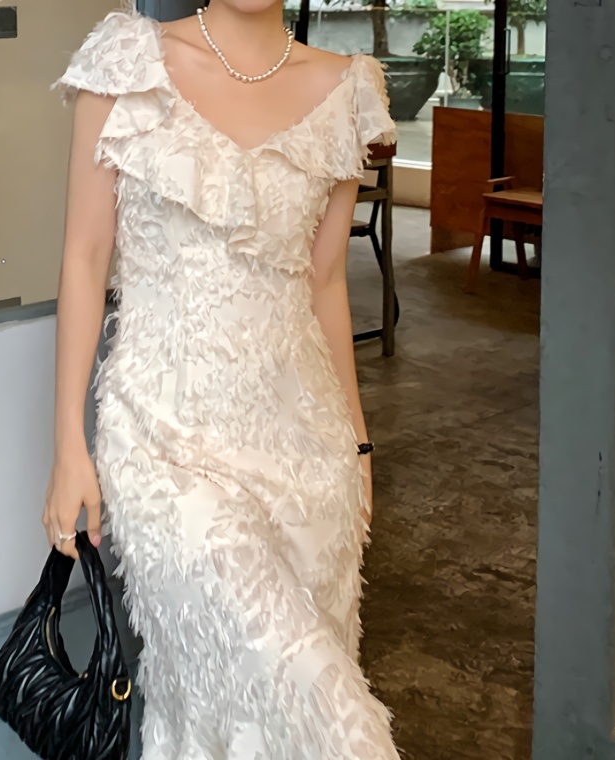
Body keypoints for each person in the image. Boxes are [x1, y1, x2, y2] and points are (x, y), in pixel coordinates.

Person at [44, 1, 400, 757]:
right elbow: (84, 258)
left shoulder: (347, 89)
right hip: (163, 445)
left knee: (240, 726)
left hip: (308, 458)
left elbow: (325, 282)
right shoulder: (128, 63)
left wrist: (359, 445)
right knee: (334, 722)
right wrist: (69, 445)